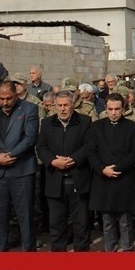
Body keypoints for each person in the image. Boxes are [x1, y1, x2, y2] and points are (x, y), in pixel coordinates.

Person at [36, 90, 94, 251]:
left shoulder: (85, 121)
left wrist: (73, 159)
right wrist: (53, 161)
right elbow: (41, 147)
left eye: (66, 105)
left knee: (81, 225)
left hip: (78, 180)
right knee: (56, 225)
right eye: (59, 105)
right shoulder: (47, 124)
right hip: (55, 181)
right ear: (54, 106)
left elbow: (89, 146)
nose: (62, 109)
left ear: (73, 105)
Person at [87, 93, 135, 252]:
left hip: (124, 179)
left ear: (123, 108)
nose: (113, 112)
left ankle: (127, 250)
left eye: (117, 109)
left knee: (125, 221)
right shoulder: (96, 127)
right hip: (103, 179)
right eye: (110, 109)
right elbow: (91, 152)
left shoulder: (133, 127)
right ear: (105, 108)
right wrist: (102, 169)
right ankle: (109, 250)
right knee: (107, 221)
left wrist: (116, 169)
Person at [0, 80, 39, 251]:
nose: (5, 103)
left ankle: (28, 252)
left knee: (25, 216)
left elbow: (30, 138)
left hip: (22, 172)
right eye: (2, 99)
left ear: (17, 95)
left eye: (9, 99)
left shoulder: (29, 109)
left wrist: (10, 155)